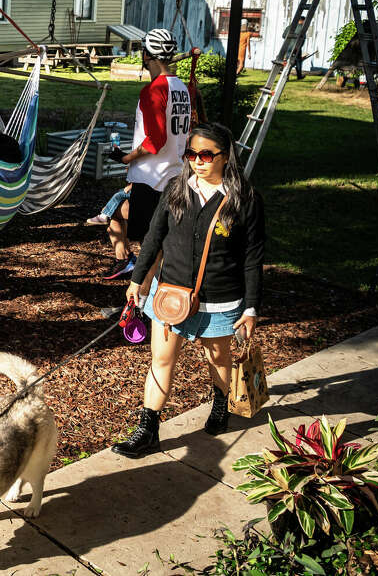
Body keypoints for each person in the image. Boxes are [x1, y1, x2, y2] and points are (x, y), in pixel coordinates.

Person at [111, 122, 265, 458]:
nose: (198, 160)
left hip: (221, 298)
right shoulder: (176, 190)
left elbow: (253, 257)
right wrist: (138, 280)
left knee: (218, 358)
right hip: (170, 295)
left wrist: (251, 308)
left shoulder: (245, 199)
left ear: (225, 157)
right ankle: (148, 428)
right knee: (161, 360)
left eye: (207, 154)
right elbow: (153, 237)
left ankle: (220, 404)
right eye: (191, 153)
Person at [104, 29, 192, 281]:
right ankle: (126, 265)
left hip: (152, 179)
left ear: (147, 56)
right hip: (174, 173)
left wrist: (126, 158)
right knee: (116, 214)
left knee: (152, 245)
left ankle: (147, 302)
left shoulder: (153, 91)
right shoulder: (181, 88)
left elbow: (156, 140)